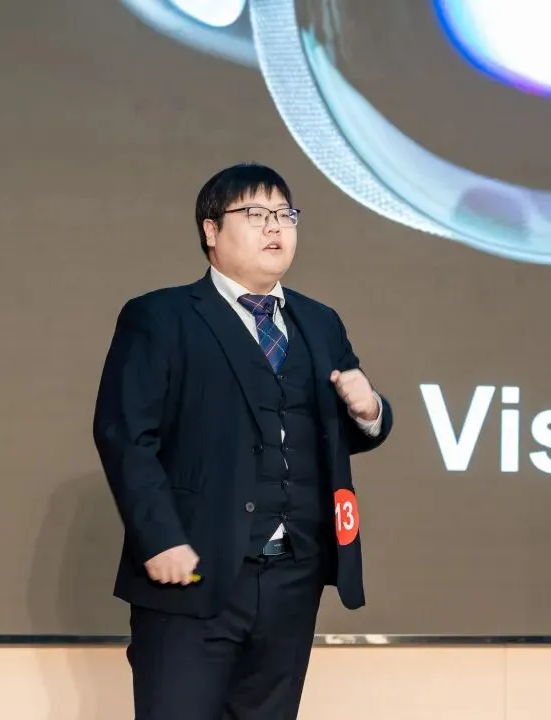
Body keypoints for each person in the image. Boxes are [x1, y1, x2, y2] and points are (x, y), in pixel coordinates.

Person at [93, 162, 393, 719]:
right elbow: (125, 435)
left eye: (285, 215)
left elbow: (331, 432)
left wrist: (370, 409)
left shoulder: (320, 322)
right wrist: (159, 538)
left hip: (293, 576)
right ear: (211, 230)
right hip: (193, 573)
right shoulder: (160, 316)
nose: (275, 227)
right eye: (256, 214)